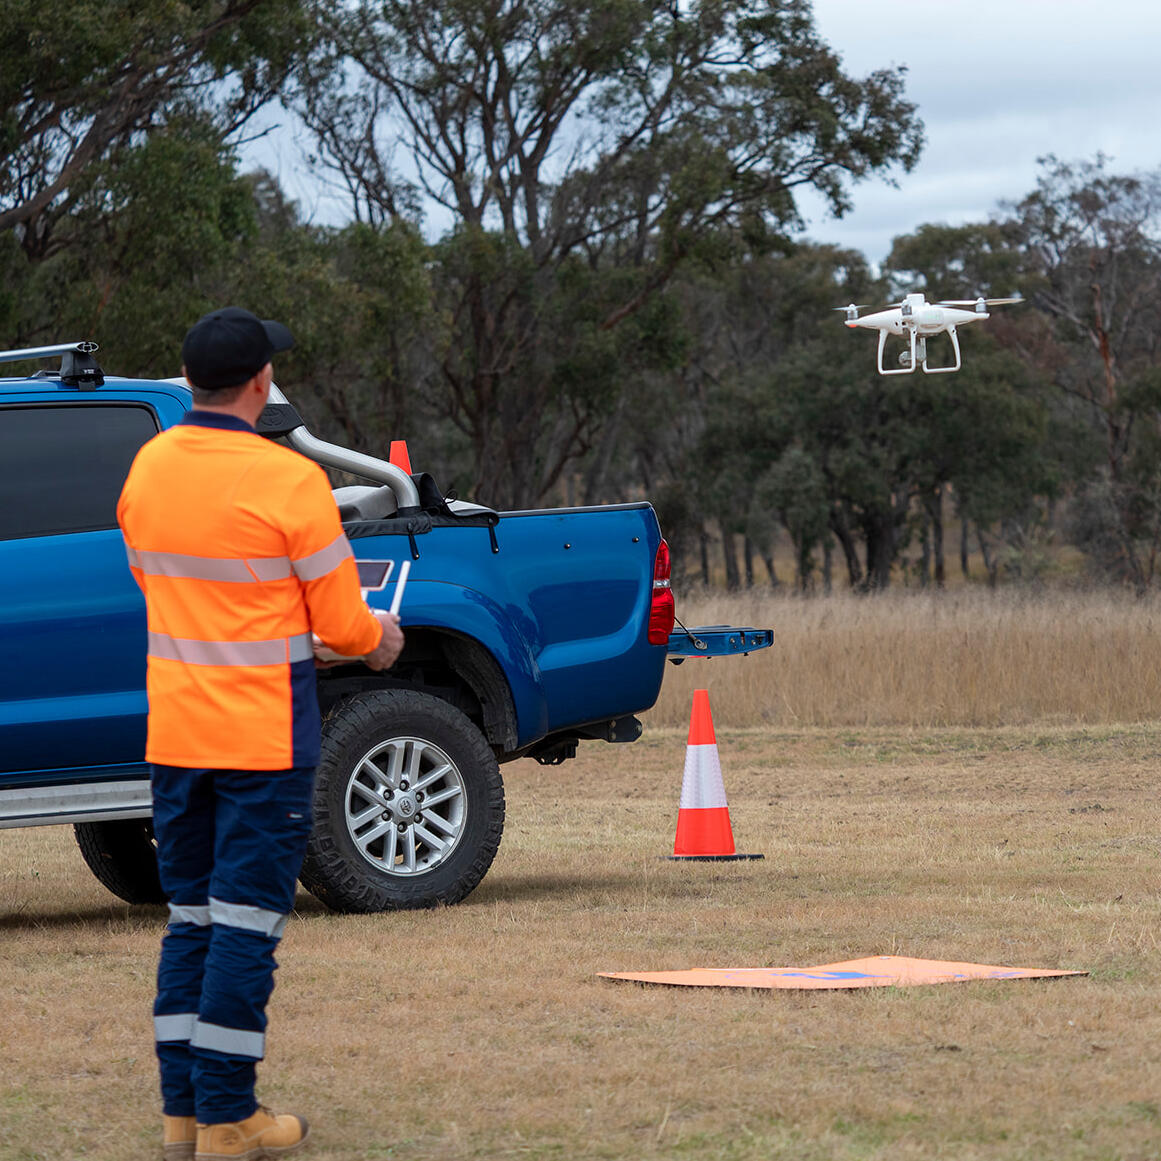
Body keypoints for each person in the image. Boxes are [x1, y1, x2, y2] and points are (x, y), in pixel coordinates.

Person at [117, 307, 404, 1160]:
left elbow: (160, 582)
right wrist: (375, 638)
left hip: (176, 734)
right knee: (245, 928)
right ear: (260, 383)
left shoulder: (149, 466)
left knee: (193, 922)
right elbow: (347, 625)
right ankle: (231, 1120)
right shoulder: (288, 481)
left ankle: (184, 1117)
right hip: (262, 741)